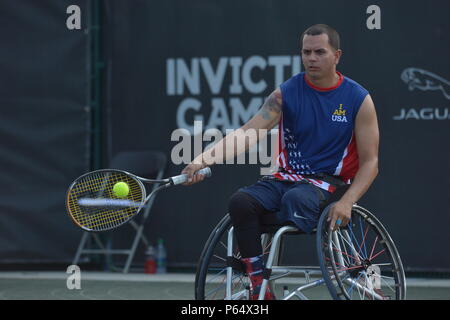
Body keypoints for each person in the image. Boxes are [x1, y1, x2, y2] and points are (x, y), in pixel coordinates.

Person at [181, 24, 380, 300]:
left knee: (296, 200)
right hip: (285, 179)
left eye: (319, 52)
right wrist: (201, 160)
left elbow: (371, 163)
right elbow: (247, 133)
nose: (311, 58)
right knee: (241, 202)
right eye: (306, 52)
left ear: (337, 56)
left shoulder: (358, 99)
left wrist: (348, 202)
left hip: (330, 185)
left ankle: (357, 271)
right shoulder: (285, 93)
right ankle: (258, 285)